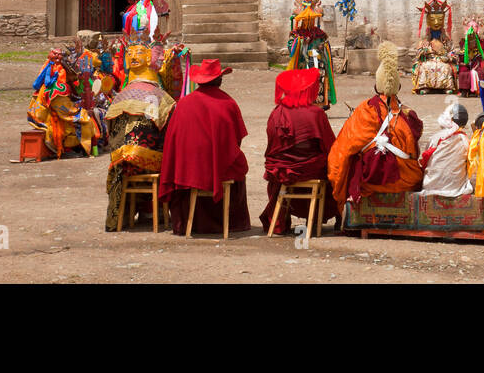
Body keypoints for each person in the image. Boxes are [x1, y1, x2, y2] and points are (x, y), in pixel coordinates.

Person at [159, 58, 251, 236]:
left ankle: (188, 222)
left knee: (189, 168)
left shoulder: (184, 103)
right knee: (239, 166)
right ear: (220, 80)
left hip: (187, 170)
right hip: (219, 166)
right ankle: (230, 222)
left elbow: (173, 140)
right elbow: (236, 140)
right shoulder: (228, 103)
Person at [327, 42, 425, 207]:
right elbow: (414, 152)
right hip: (407, 180)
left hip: (373, 181)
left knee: (350, 159)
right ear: (398, 87)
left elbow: (343, 149)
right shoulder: (409, 115)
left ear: (375, 86)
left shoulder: (365, 110)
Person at [104, 41, 177, 231]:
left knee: (124, 155)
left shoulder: (119, 97)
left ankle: (122, 214)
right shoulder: (162, 97)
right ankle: (156, 211)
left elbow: (109, 132)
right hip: (150, 163)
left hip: (120, 163)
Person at [259, 68, 338, 235]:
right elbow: (330, 145)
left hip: (281, 168)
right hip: (310, 169)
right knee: (337, 167)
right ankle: (330, 217)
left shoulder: (276, 113)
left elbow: (271, 146)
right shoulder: (316, 113)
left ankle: (281, 221)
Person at [286, 0, 336, 106]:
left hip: (317, 65)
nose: (309, 21)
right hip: (302, 64)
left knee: (319, 76)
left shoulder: (319, 34)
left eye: (311, 19)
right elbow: (291, 49)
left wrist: (321, 48)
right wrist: (302, 43)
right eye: (306, 19)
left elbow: (326, 49)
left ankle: (318, 104)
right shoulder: (297, 34)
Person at [419, 98, 472, 197]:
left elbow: (426, 158)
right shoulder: (465, 140)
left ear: (450, 119)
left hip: (431, 186)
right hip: (455, 188)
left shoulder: (435, 138)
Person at [412, 0, 459, 94]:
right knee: (424, 67)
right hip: (430, 60)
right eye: (433, 20)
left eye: (440, 19)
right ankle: (424, 87)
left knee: (446, 68)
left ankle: (447, 87)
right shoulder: (425, 41)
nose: (436, 22)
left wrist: (447, 57)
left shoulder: (446, 41)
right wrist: (424, 51)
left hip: (442, 60)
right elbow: (418, 56)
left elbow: (453, 53)